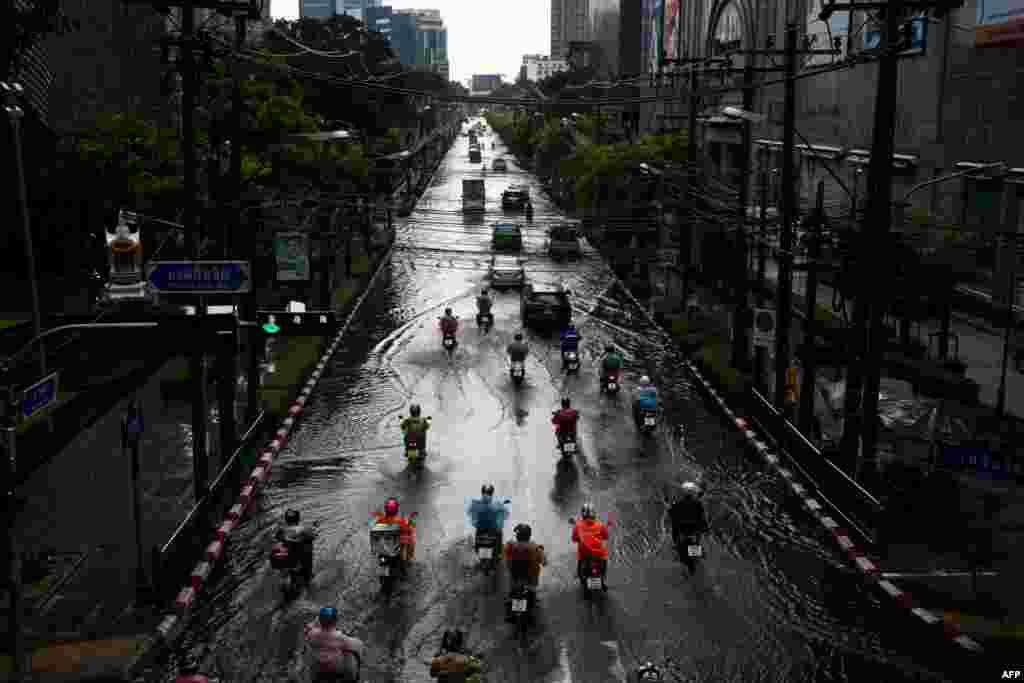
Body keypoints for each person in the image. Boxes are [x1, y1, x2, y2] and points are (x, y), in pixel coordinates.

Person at [304, 607, 365, 682]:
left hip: (317, 669)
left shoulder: (312, 634)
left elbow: (307, 629)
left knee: (310, 651)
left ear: (319, 621)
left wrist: (314, 623)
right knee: (351, 653)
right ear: (336, 621)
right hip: (335, 670)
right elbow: (358, 644)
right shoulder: (340, 637)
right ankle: (353, 679)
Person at [503, 523, 546, 619]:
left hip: (515, 579)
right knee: (533, 597)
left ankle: (511, 611)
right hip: (531, 581)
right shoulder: (535, 547)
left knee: (510, 596)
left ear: (517, 535)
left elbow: (503, 555)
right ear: (529, 535)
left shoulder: (510, 545)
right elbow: (544, 562)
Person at [571, 503, 609, 588]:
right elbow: (606, 536)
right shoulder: (600, 525)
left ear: (582, 514)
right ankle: (603, 578)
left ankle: (581, 578)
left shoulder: (578, 526)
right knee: (604, 560)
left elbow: (574, 539)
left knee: (580, 566)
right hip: (600, 555)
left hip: (584, 555)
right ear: (594, 514)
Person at [467, 484, 510, 558]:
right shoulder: (497, 504)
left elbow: (470, 513)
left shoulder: (475, 503)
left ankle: (477, 552)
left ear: (482, 492)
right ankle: (499, 553)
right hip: (493, 531)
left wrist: (475, 522)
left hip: (480, 531)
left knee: (477, 542)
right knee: (499, 533)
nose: (487, 495)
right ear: (492, 493)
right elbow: (506, 514)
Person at [275, 509, 316, 583]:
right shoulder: (303, 530)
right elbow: (312, 536)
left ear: (286, 520)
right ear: (298, 519)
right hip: (301, 558)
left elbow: (278, 538)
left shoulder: (282, 530)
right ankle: (308, 577)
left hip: (288, 558)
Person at [372, 497, 416, 563]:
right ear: (396, 510)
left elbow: (374, 530)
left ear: (385, 509)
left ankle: (381, 557)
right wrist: (411, 522)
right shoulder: (401, 520)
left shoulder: (380, 519)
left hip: (385, 547)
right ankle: (409, 558)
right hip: (396, 547)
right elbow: (408, 530)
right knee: (411, 537)